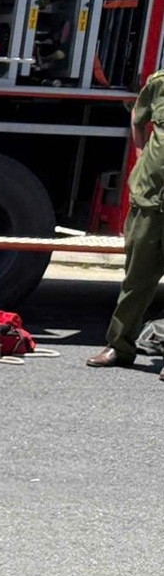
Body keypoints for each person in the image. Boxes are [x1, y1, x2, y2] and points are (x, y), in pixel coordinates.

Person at [90, 62, 164, 372]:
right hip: (149, 198)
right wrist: (139, 155)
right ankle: (119, 347)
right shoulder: (159, 83)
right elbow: (138, 116)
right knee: (136, 279)